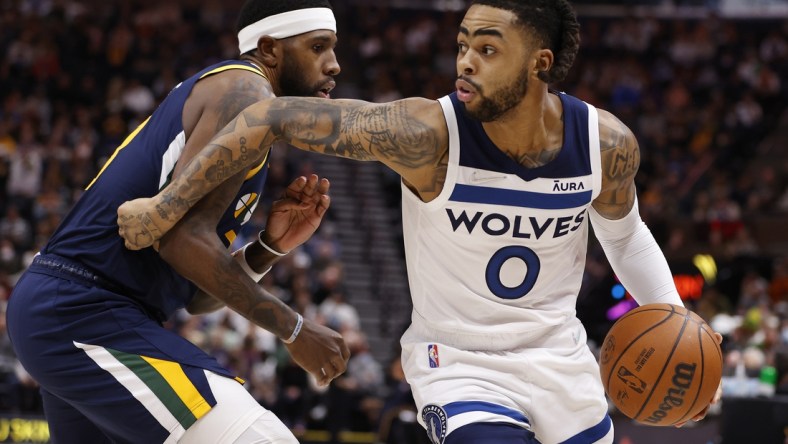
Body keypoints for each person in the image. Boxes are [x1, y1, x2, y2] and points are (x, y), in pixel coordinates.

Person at [117, 1, 724, 442]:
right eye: (462, 44)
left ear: (540, 63)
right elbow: (270, 116)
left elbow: (624, 235)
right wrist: (166, 207)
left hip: (561, 358)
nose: (465, 62)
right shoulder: (423, 134)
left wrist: (682, 327)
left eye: (487, 50)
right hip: (459, 362)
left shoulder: (604, 144)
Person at [6, 1, 350, 443]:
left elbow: (195, 299)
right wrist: (293, 329)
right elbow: (180, 241)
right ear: (269, 49)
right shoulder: (247, 93)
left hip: (79, 311)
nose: (334, 64)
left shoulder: (246, 110)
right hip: (83, 308)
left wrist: (268, 248)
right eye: (318, 47)